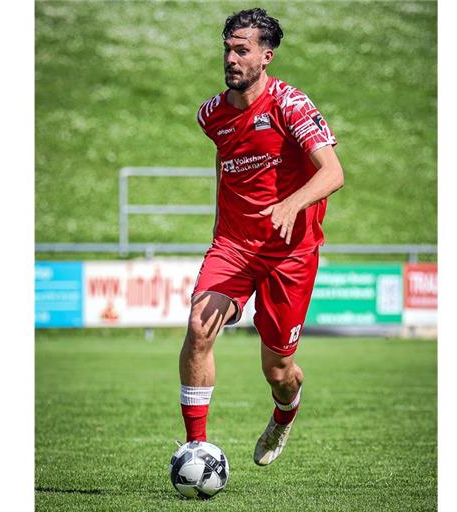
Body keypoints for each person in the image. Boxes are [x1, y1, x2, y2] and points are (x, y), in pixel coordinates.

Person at [178, 7, 344, 466]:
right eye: (227, 49)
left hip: (290, 254)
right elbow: (224, 157)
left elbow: (333, 172)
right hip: (234, 246)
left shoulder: (290, 104)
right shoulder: (211, 115)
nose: (231, 58)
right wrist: (220, 224)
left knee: (278, 370)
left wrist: (293, 203)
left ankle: (284, 415)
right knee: (198, 327)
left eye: (242, 50)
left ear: (266, 56)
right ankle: (196, 447)